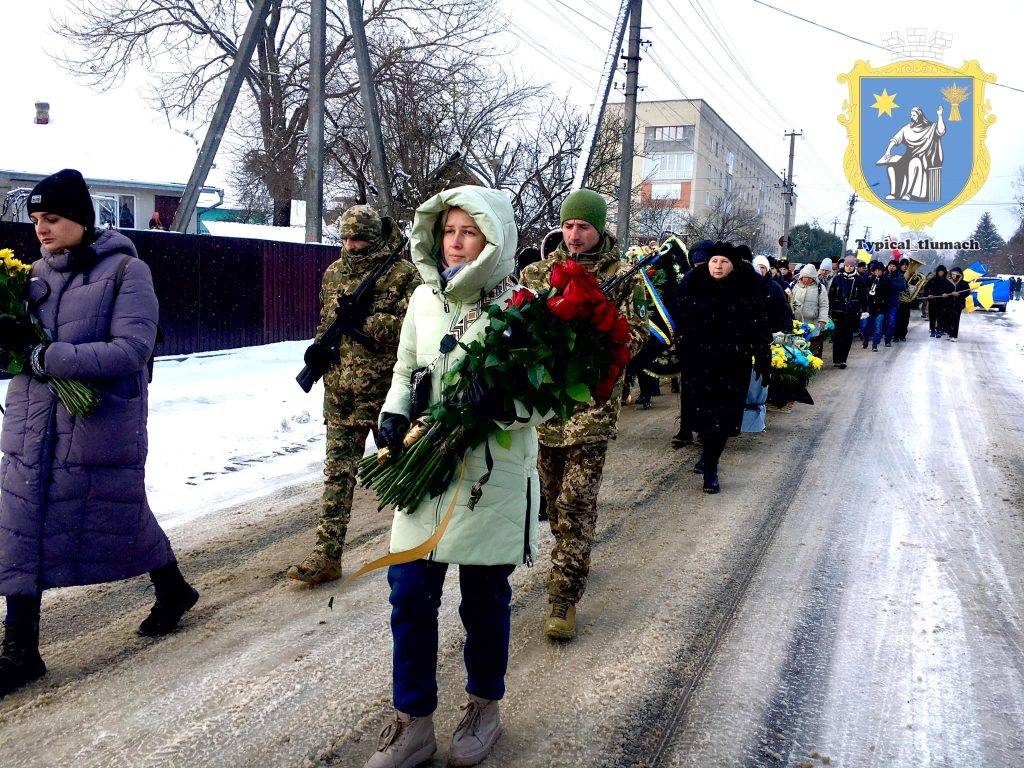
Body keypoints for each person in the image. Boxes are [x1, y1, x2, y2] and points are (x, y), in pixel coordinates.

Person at [364, 186, 547, 768]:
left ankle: (483, 708)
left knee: (484, 601)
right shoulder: (422, 299)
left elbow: (542, 401)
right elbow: (405, 367)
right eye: (448, 231)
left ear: (493, 240)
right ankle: (414, 721)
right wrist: (393, 413)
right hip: (427, 472)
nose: (456, 241)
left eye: (470, 231)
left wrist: (500, 400)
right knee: (409, 597)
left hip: (487, 475)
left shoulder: (519, 306)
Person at [0, 169, 198, 699]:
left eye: (54, 218)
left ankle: (173, 589)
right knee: (19, 522)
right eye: (36, 219)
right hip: (30, 422)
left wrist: (52, 357)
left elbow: (132, 351)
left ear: (82, 220)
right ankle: (20, 652)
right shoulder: (31, 275)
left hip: (95, 420)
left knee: (118, 510)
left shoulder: (126, 272)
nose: (42, 229)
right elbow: (23, 352)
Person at [520, 189, 646, 641]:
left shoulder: (624, 276)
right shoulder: (539, 272)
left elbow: (640, 336)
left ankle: (564, 598)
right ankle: (571, 554)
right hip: (546, 408)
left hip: (591, 407)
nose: (575, 235)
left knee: (576, 502)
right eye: (569, 226)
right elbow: (517, 325)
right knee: (554, 501)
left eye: (585, 227)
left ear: (600, 230)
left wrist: (597, 332)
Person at [288, 206, 420, 585]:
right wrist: (316, 349)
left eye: (358, 239)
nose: (350, 246)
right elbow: (328, 322)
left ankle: (418, 552)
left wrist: (365, 322)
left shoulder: (402, 275)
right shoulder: (335, 273)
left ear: (374, 237)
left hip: (386, 396)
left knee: (403, 474)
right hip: (341, 392)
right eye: (345, 238)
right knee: (337, 477)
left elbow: (411, 330)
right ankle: (327, 556)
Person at [675, 242, 770, 493]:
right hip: (699, 363)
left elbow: (759, 324)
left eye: (724, 262)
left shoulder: (745, 287)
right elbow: (680, 320)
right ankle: (708, 458)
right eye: (714, 261)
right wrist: (681, 347)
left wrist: (762, 356)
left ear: (733, 265)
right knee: (704, 415)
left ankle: (711, 467)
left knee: (723, 417)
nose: (718, 266)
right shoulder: (693, 283)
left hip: (731, 363)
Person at [828, 256, 866, 368]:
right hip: (838, 311)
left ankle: (843, 360)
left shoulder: (859, 280)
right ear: (844, 265)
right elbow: (831, 294)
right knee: (837, 336)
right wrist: (830, 308)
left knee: (847, 336)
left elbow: (863, 296)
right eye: (847, 265)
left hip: (852, 312)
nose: (848, 268)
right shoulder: (837, 278)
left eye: (851, 266)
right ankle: (836, 359)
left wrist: (864, 310)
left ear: (854, 266)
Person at [791, 263, 829, 357]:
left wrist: (822, 320)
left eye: (809, 277)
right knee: (797, 346)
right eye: (805, 277)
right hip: (797, 322)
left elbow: (824, 305)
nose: (807, 279)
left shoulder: (820, 288)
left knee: (812, 347)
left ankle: (811, 365)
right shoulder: (796, 286)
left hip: (813, 323)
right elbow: (791, 301)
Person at [861, 260, 891, 351]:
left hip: (880, 309)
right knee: (864, 327)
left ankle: (875, 345)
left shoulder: (886, 281)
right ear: (872, 271)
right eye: (876, 271)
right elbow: (864, 293)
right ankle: (866, 339)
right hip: (869, 308)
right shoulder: (868, 280)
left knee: (878, 328)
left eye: (880, 270)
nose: (878, 272)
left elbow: (888, 295)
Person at [921, 265, 954, 338]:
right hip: (933, 301)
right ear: (937, 272)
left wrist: (946, 294)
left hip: (942, 302)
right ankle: (932, 330)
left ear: (944, 272)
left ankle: (939, 330)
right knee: (932, 317)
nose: (941, 273)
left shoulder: (947, 282)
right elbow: (926, 288)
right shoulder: (932, 280)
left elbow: (950, 291)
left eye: (942, 271)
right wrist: (929, 294)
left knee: (940, 317)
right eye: (939, 271)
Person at [883, 259, 906, 347]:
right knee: (882, 322)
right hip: (882, 302)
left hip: (893, 303)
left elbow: (902, 287)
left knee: (891, 322)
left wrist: (892, 281)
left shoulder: (899, 275)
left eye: (893, 266)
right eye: (890, 265)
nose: (891, 267)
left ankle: (888, 340)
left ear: (896, 267)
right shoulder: (883, 273)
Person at [946, 266, 969, 341]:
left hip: (958, 304)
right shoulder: (948, 282)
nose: (953, 275)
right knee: (948, 318)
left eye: (955, 274)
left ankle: (954, 335)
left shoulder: (964, 283)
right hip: (949, 303)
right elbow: (944, 290)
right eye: (952, 274)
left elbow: (967, 292)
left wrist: (959, 294)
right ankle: (949, 333)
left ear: (959, 274)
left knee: (956, 319)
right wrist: (948, 293)